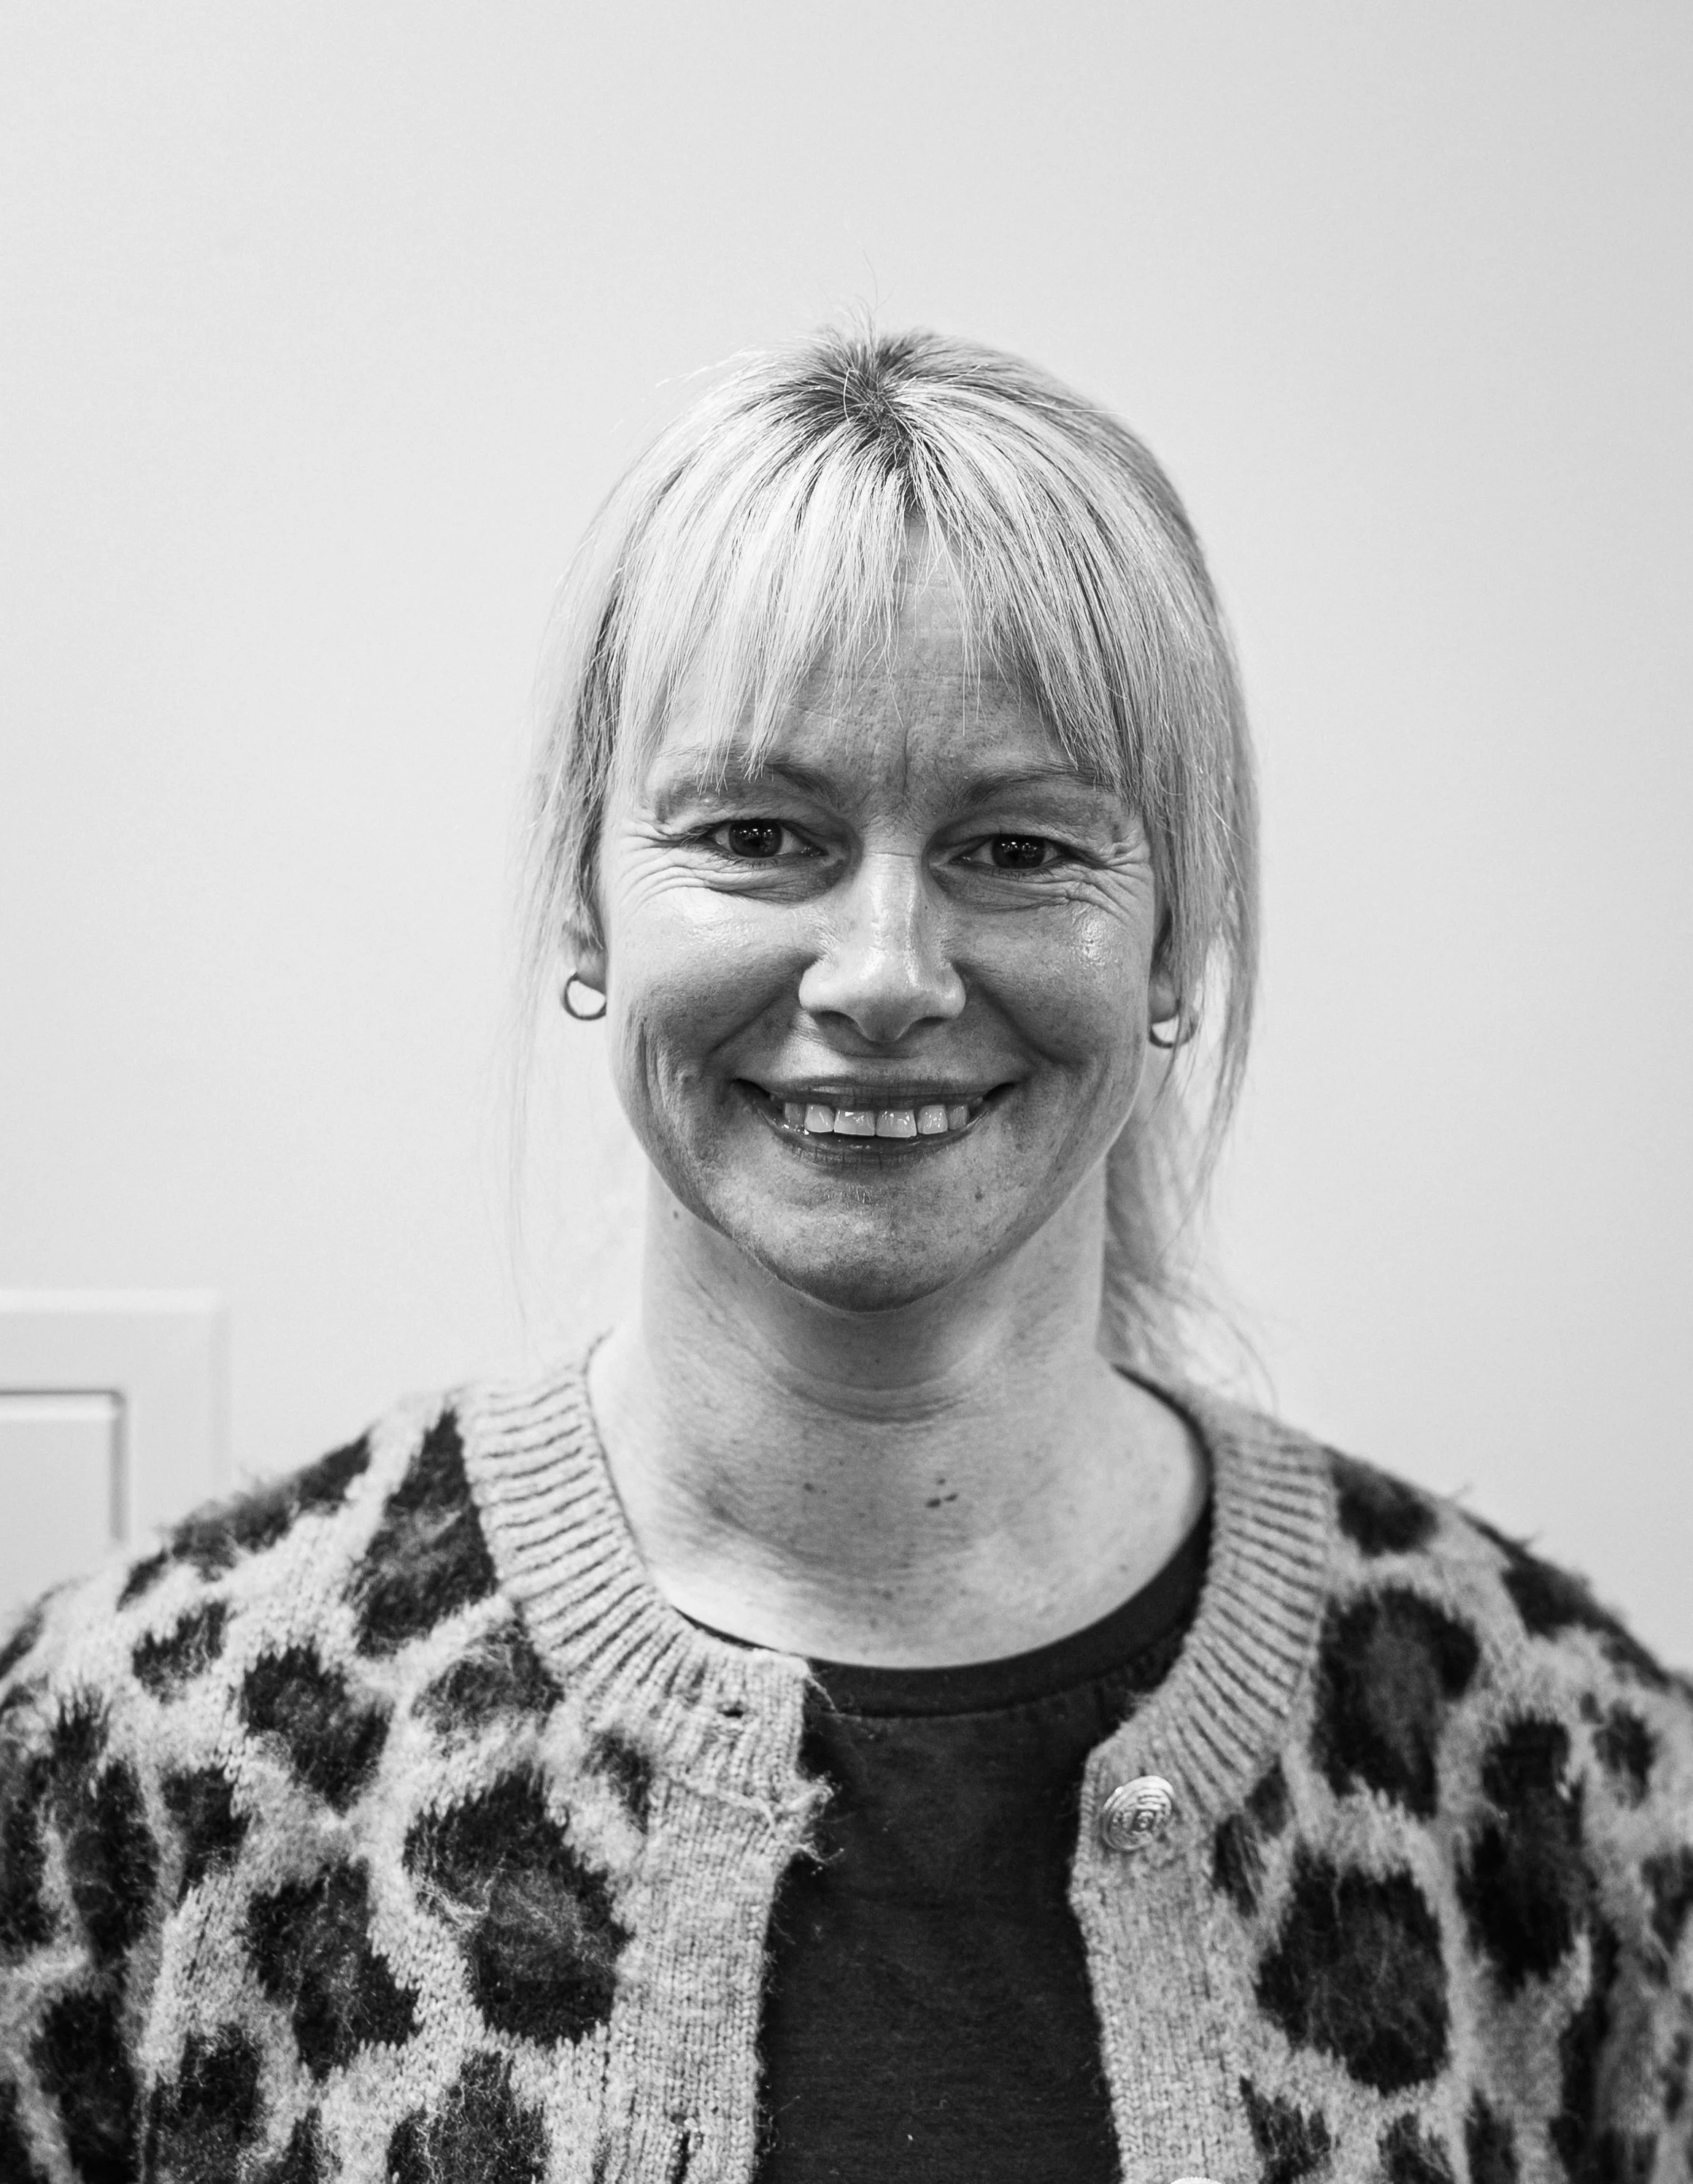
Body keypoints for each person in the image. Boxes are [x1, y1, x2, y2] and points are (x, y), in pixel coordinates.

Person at [1, 326, 1689, 2184]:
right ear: (584, 901)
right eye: (757, 833)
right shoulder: (159, 1744)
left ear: (1178, 940)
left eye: (1018, 846)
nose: (882, 973)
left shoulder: (1551, 1763)